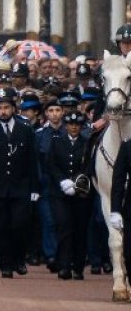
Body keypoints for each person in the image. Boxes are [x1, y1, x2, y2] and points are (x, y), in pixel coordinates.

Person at [0, 89, 39, 278]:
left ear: (13, 109)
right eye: (0, 108)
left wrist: (34, 188)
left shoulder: (25, 129)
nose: (3, 111)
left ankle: (19, 259)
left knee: (20, 225)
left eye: (6, 107)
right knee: (1, 227)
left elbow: (32, 160)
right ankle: (5, 264)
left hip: (20, 187)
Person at [48, 111, 92, 280]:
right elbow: (51, 164)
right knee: (64, 227)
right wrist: (62, 181)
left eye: (77, 125)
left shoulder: (87, 144)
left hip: (81, 194)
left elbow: (89, 166)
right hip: (60, 193)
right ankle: (64, 266)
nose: (74, 127)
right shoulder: (57, 142)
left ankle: (78, 267)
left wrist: (77, 183)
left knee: (80, 230)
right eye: (71, 124)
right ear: (66, 125)